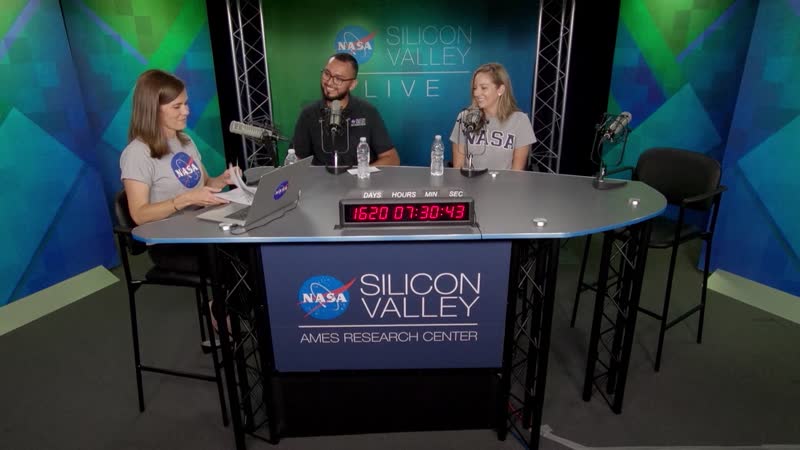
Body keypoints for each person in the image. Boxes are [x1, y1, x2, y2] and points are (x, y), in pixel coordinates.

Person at [120, 69, 239, 272]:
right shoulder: (136, 153)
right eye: (177, 106)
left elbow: (205, 183)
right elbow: (139, 215)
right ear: (152, 109)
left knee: (245, 247)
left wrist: (222, 180)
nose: (186, 111)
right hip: (168, 242)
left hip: (199, 225)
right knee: (232, 256)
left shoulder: (185, 141)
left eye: (186, 104)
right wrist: (184, 200)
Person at [291, 53, 401, 167]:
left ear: (352, 84)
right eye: (327, 74)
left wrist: (361, 172)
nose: (329, 82)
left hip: (359, 177)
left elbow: (392, 159)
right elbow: (296, 160)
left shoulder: (368, 112)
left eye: (338, 79)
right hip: (319, 179)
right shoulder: (308, 114)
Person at [450, 63, 536, 171]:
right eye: (475, 88)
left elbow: (517, 172)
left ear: (500, 90)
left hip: (505, 182)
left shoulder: (520, 121)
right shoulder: (464, 117)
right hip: (469, 181)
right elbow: (458, 168)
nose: (476, 93)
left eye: (484, 88)